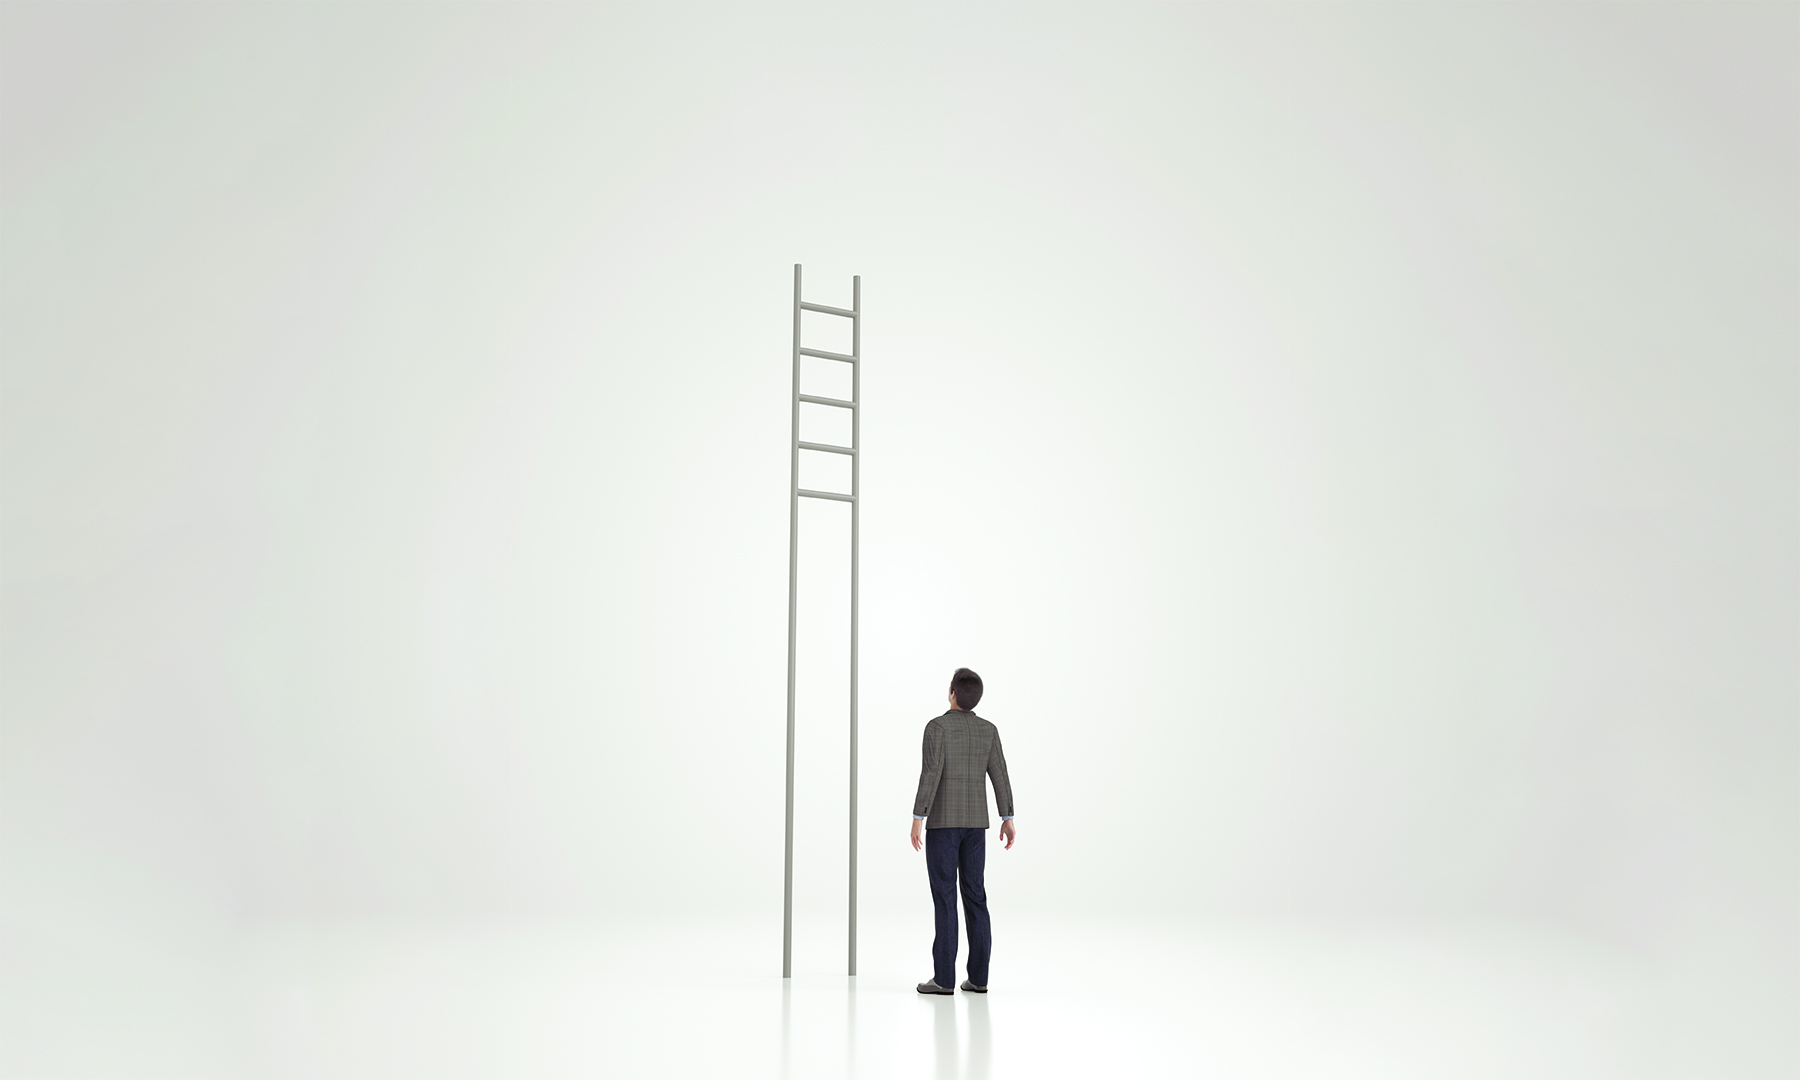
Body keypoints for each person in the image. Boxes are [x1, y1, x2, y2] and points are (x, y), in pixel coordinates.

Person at [911, 667, 1016, 995]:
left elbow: (931, 773)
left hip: (942, 824)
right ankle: (979, 979)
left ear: (952, 693)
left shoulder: (937, 727)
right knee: (976, 897)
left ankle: (943, 979)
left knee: (944, 898)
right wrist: (1007, 816)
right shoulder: (988, 730)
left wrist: (918, 816)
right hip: (976, 826)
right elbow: (999, 772)